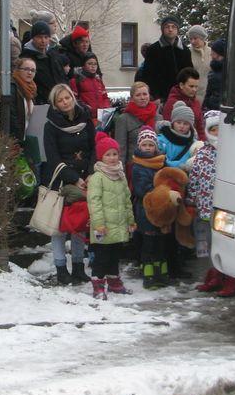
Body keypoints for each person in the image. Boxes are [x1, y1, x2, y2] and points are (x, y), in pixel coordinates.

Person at [43, 83, 96, 285]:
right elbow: (53, 157)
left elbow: (93, 148)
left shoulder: (85, 119)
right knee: (59, 227)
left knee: (79, 224)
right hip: (60, 180)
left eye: (67, 98)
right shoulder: (51, 125)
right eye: (60, 100)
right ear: (55, 104)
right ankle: (61, 268)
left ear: (73, 97)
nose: (65, 102)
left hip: (85, 178)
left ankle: (78, 266)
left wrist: (90, 172)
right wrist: (74, 177)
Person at [185, 110, 235, 296]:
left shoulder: (233, 152)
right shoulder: (202, 153)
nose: (217, 133)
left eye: (219, 129)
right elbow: (194, 178)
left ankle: (231, 279)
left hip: (227, 207)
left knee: (227, 243)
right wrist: (192, 199)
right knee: (210, 243)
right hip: (205, 207)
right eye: (213, 129)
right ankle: (215, 275)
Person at [87, 132, 136, 299]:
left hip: (119, 224)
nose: (112, 158)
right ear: (101, 157)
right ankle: (98, 286)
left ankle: (114, 282)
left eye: (115, 154)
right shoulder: (97, 178)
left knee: (114, 255)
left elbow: (126, 200)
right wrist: (98, 223)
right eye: (108, 154)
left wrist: (130, 220)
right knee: (101, 257)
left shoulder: (120, 176)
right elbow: (94, 202)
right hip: (103, 226)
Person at [130, 128, 168, 288]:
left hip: (161, 210)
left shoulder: (161, 163)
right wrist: (158, 191)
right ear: (139, 146)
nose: (147, 148)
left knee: (161, 243)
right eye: (144, 144)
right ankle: (148, 274)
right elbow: (141, 189)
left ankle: (161, 273)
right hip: (144, 209)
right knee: (148, 243)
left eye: (150, 145)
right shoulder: (138, 166)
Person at [137, 16, 192, 102]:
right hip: (160, 99)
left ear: (177, 30)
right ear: (163, 30)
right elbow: (147, 75)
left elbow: (189, 76)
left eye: (173, 27)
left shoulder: (185, 51)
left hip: (181, 98)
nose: (170, 29)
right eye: (167, 27)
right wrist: (155, 96)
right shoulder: (153, 50)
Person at [115, 81, 160, 180]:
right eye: (138, 95)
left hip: (155, 166)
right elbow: (121, 149)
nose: (142, 97)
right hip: (134, 168)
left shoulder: (158, 118)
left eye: (145, 94)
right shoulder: (123, 119)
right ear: (132, 98)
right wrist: (121, 174)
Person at [20, 20, 68, 105]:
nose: (43, 41)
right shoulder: (26, 59)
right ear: (33, 38)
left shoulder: (53, 55)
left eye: (46, 37)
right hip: (41, 105)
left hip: (60, 102)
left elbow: (62, 78)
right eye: (39, 37)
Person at [162, 67, 205, 140]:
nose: (194, 90)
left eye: (196, 86)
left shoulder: (196, 103)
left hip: (195, 145)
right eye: (191, 86)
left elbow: (200, 128)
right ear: (181, 85)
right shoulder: (171, 103)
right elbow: (168, 128)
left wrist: (203, 144)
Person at [156, 101, 199, 171]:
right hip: (164, 176)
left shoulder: (194, 144)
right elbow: (158, 160)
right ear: (173, 123)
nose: (182, 126)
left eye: (186, 124)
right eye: (178, 122)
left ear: (190, 126)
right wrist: (181, 166)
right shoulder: (161, 140)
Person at [70, 53, 111, 124]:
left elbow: (105, 97)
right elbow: (74, 100)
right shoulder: (76, 80)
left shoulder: (98, 80)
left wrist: (106, 107)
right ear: (83, 65)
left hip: (100, 118)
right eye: (90, 63)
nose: (93, 66)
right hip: (85, 118)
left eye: (95, 64)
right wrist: (85, 108)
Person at [9, 56, 38, 148]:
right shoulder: (12, 88)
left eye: (33, 70)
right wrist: (18, 139)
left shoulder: (31, 89)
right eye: (26, 69)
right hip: (15, 140)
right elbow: (12, 116)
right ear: (18, 70)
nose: (30, 73)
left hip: (27, 138)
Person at [202, 39, 225, 111]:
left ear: (220, 53)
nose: (211, 54)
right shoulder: (214, 69)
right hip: (211, 108)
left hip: (218, 109)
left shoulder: (227, 71)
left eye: (213, 52)